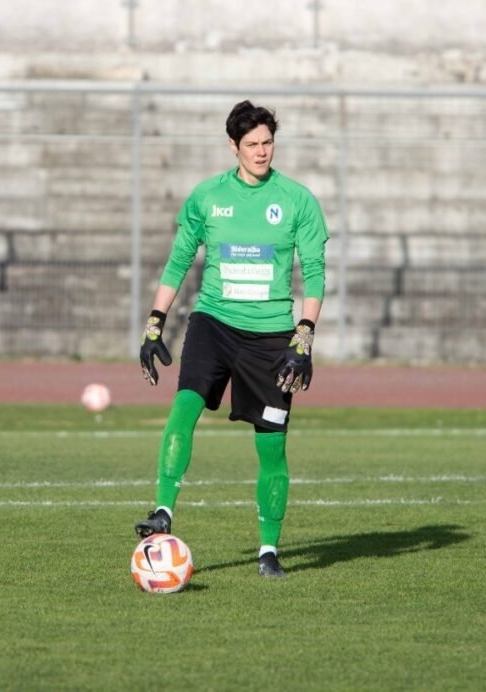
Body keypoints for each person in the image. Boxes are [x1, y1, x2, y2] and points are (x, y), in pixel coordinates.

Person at [134, 100, 329, 578]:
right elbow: (178, 262)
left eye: (267, 143)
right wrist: (155, 321)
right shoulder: (207, 198)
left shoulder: (298, 200)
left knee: (272, 445)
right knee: (186, 404)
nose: (261, 152)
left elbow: (316, 274)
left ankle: (268, 551)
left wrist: (303, 339)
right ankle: (163, 511)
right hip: (213, 323)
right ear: (233, 147)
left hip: (271, 339)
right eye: (251, 145)